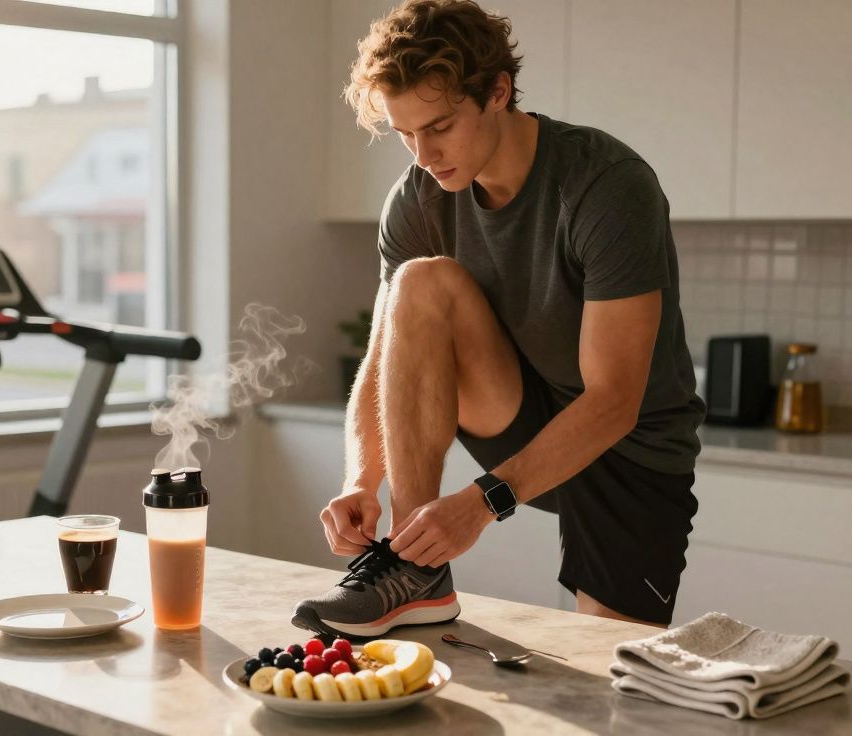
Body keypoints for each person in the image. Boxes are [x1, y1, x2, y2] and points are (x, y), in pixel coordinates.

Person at [291, 0, 704, 640]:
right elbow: (382, 358)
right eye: (405, 133)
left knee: (613, 663)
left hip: (626, 446)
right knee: (420, 282)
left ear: (498, 92)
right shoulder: (418, 198)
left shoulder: (606, 184)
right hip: (519, 407)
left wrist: (482, 503)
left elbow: (614, 402)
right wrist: (360, 480)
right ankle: (414, 570)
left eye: (440, 126)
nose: (424, 154)